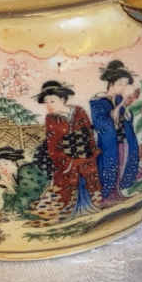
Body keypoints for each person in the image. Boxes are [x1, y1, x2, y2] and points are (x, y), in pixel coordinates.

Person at [39, 80, 101, 213]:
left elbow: (88, 132)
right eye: (46, 102)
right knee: (67, 185)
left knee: (88, 181)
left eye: (52, 101)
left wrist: (88, 151)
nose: (48, 105)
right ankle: (70, 208)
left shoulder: (78, 111)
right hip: (66, 158)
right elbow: (52, 143)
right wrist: (65, 160)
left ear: (62, 99)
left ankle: (89, 205)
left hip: (85, 154)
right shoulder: (51, 119)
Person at [90, 60, 141, 201]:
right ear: (111, 83)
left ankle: (118, 192)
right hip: (108, 142)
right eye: (120, 84)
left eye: (125, 84)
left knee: (122, 163)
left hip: (122, 138)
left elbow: (124, 118)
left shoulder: (118, 98)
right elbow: (101, 123)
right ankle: (107, 196)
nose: (123, 87)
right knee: (110, 166)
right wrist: (118, 109)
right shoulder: (97, 101)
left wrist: (126, 113)